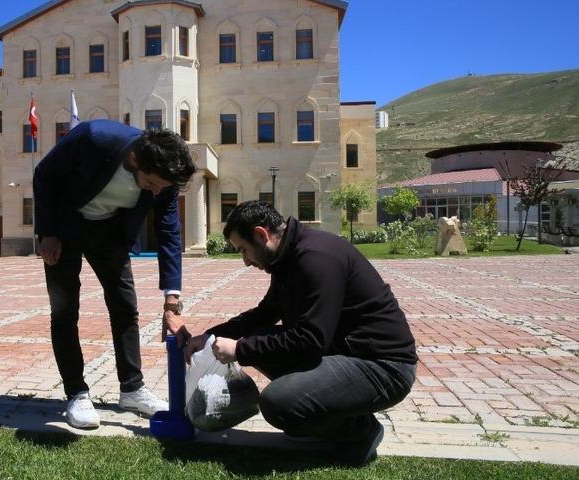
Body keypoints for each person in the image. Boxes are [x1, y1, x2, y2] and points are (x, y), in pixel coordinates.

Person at [182, 201, 417, 465]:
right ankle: (338, 417)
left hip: (384, 366)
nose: (246, 261)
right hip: (346, 352)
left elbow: (310, 340)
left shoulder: (315, 258)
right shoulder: (288, 257)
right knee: (260, 335)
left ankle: (360, 432)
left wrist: (239, 350)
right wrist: (210, 336)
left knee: (278, 404)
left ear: (261, 235)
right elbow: (265, 313)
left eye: (244, 250)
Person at [33, 119, 197, 429]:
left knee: (125, 307)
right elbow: (45, 174)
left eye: (162, 187)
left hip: (110, 232)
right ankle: (77, 393)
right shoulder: (94, 138)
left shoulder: (165, 176)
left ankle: (132, 389)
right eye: (151, 184)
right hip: (65, 226)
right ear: (135, 159)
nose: (157, 192)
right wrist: (47, 232)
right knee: (65, 310)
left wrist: (172, 297)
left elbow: (168, 231)